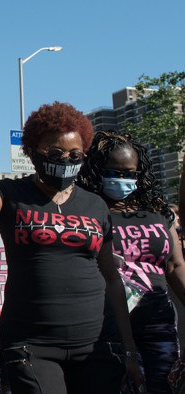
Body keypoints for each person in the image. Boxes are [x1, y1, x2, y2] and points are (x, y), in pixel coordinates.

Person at [0, 104, 144, 393]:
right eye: (55, 154)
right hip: (32, 344)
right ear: (31, 151)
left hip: (96, 343)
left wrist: (128, 349)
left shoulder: (95, 205)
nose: (65, 160)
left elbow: (112, 279)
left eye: (75, 155)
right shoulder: (10, 193)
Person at [77, 130, 185, 393]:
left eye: (130, 173)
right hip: (105, 323)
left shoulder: (157, 211)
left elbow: (174, 266)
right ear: (97, 170)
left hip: (157, 320)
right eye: (114, 172)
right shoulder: (87, 210)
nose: (122, 179)